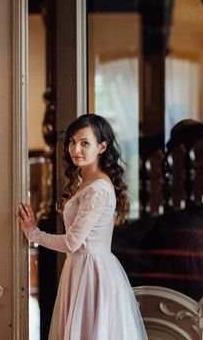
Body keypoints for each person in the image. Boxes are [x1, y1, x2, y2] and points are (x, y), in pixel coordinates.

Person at [17, 114, 148, 340]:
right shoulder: (85, 183)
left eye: (85, 143)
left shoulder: (98, 189)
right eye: (72, 141)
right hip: (80, 268)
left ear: (102, 147)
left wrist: (33, 233)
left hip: (92, 272)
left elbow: (72, 242)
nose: (75, 148)